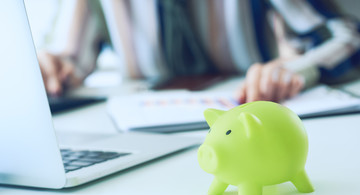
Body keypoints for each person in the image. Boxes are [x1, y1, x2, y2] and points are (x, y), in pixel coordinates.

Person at [38, 0, 360, 103]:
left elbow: (346, 35)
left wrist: (294, 70)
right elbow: (67, 59)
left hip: (246, 119)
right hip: (146, 141)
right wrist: (47, 67)